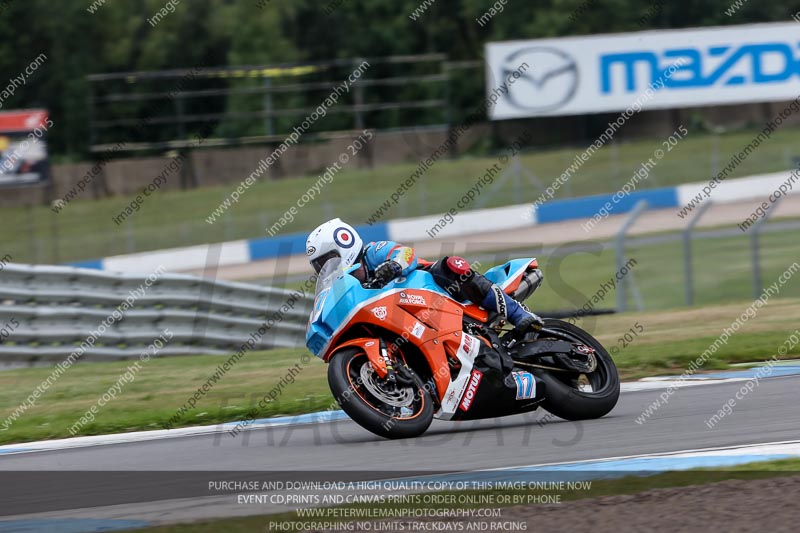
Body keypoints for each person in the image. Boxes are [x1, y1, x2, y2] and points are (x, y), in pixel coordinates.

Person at [305, 218, 544, 336]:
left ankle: (518, 313)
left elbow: (407, 253)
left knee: (450, 265)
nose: (326, 267)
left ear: (343, 246)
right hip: (412, 321)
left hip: (436, 290)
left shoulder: (372, 252)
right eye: (320, 265)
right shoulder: (348, 287)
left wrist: (393, 266)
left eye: (328, 259)